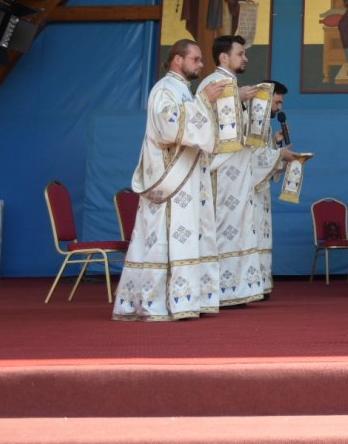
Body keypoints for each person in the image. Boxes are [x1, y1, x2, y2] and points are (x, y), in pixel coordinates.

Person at [113, 40, 225, 321]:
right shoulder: (164, 89)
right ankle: (156, 303)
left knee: (184, 237)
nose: (201, 65)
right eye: (196, 59)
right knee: (163, 238)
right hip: (170, 180)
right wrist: (204, 102)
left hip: (186, 179)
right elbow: (168, 129)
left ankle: (184, 300)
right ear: (178, 60)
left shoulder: (181, 90)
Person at [197, 35, 292, 308]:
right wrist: (236, 97)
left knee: (236, 230)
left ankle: (234, 289)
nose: (245, 58)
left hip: (237, 174)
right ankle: (220, 290)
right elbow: (202, 119)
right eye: (240, 53)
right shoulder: (212, 83)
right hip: (221, 173)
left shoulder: (232, 84)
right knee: (223, 229)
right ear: (224, 57)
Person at [255, 80, 289, 300]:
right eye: (277, 102)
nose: (279, 108)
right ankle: (253, 283)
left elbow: (263, 154)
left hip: (261, 190)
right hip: (249, 191)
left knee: (262, 233)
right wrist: (280, 155)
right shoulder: (255, 123)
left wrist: (276, 144)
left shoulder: (265, 126)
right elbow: (253, 158)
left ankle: (260, 282)